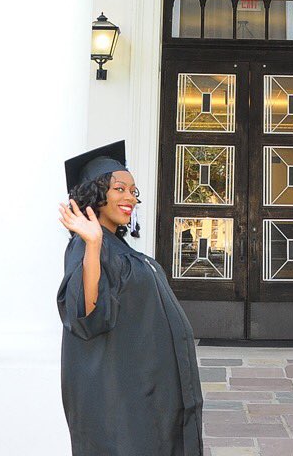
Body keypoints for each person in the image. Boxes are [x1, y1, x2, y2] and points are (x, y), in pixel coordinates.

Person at [57, 139, 203, 456]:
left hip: (145, 396)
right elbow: (87, 314)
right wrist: (93, 245)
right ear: (95, 194)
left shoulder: (118, 247)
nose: (130, 198)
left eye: (133, 191)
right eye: (119, 188)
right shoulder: (88, 247)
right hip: (120, 401)